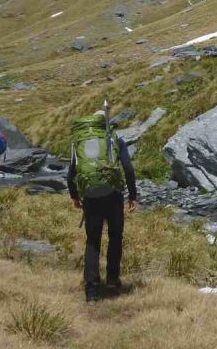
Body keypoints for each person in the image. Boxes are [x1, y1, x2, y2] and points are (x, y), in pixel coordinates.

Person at [68, 109, 137, 303]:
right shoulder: (115, 139)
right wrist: (132, 195)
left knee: (92, 241)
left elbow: (71, 172)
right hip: (113, 194)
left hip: (90, 196)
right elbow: (128, 169)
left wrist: (75, 195)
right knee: (115, 236)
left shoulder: (78, 141)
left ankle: (91, 290)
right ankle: (113, 280)